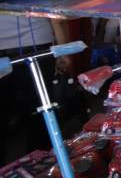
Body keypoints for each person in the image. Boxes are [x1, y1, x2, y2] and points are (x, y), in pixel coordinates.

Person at [0, 17, 74, 162]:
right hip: (36, 43)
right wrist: (63, 52)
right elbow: (56, 18)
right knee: (40, 106)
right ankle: (40, 164)